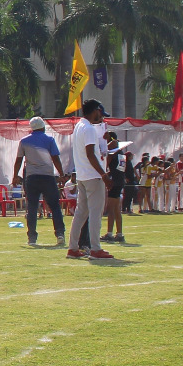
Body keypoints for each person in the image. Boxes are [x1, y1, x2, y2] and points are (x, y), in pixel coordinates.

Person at [67, 100, 114, 260]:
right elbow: (90, 154)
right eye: (100, 113)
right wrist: (104, 174)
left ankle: (73, 247)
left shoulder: (79, 126)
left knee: (81, 213)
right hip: (93, 176)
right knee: (95, 213)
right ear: (95, 111)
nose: (100, 117)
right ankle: (95, 248)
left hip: (82, 175)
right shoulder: (88, 129)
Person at [102, 132, 125, 242]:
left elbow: (106, 164)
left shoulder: (113, 152)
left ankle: (109, 233)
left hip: (114, 182)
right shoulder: (122, 152)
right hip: (120, 181)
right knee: (116, 209)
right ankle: (119, 233)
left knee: (110, 208)